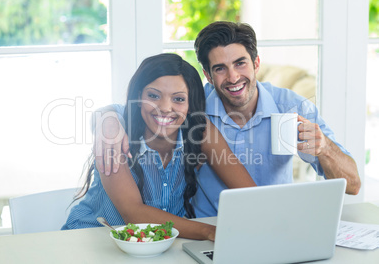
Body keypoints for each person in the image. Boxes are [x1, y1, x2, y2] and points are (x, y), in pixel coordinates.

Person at [94, 22, 361, 218]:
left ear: (256, 62)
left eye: (240, 63)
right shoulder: (194, 109)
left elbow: (353, 185)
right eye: (220, 68)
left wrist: (324, 147)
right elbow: (138, 107)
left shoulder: (292, 108)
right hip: (207, 226)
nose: (233, 78)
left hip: (268, 220)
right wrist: (107, 119)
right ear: (207, 75)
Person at [62, 53, 256, 240]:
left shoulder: (200, 131)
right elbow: (134, 213)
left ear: (190, 104)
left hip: (163, 245)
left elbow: (249, 193)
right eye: (153, 96)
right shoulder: (115, 137)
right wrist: (209, 232)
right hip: (93, 240)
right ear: (139, 97)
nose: (164, 107)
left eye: (179, 99)